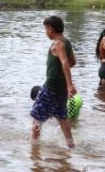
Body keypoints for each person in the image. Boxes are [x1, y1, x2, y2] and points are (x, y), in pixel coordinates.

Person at [31, 15, 77, 149]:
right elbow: (72, 62)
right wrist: (66, 82)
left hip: (51, 87)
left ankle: (34, 152)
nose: (45, 32)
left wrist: (70, 85)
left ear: (51, 29)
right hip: (61, 89)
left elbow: (65, 63)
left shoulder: (57, 44)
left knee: (36, 120)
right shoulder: (66, 42)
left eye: (46, 29)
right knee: (62, 119)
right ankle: (71, 146)